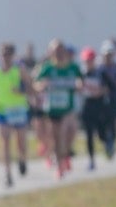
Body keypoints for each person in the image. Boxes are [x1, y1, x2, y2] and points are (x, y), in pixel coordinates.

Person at [0, 42, 33, 188]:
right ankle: (7, 174)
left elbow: (30, 87)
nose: (6, 57)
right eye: (3, 54)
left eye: (8, 54)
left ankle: (22, 159)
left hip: (19, 110)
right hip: (2, 110)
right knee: (5, 141)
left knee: (21, 142)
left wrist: (21, 91)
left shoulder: (19, 70)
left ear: (13, 56)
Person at [35, 40, 81, 178]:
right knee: (57, 137)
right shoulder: (47, 68)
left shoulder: (73, 67)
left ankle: (66, 154)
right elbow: (36, 84)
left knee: (70, 132)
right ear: (51, 52)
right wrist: (42, 85)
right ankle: (60, 165)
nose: (59, 53)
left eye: (61, 50)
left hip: (68, 108)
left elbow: (81, 80)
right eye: (56, 50)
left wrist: (78, 85)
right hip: (53, 108)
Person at [78, 46, 116, 169]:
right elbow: (77, 87)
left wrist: (101, 91)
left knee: (101, 133)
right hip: (87, 106)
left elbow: (111, 88)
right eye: (86, 61)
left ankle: (108, 142)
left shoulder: (101, 73)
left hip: (100, 106)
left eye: (90, 60)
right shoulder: (81, 74)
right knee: (89, 134)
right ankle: (91, 160)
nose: (88, 63)